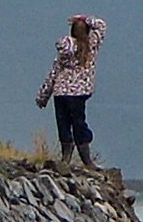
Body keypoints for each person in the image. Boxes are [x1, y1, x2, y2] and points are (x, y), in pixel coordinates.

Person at [36, 12, 106, 163]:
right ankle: (87, 160)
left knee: (63, 123)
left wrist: (43, 96)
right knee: (79, 123)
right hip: (79, 93)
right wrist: (85, 18)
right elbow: (101, 26)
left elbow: (53, 73)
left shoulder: (65, 49)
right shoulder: (91, 46)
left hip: (61, 92)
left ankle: (66, 157)